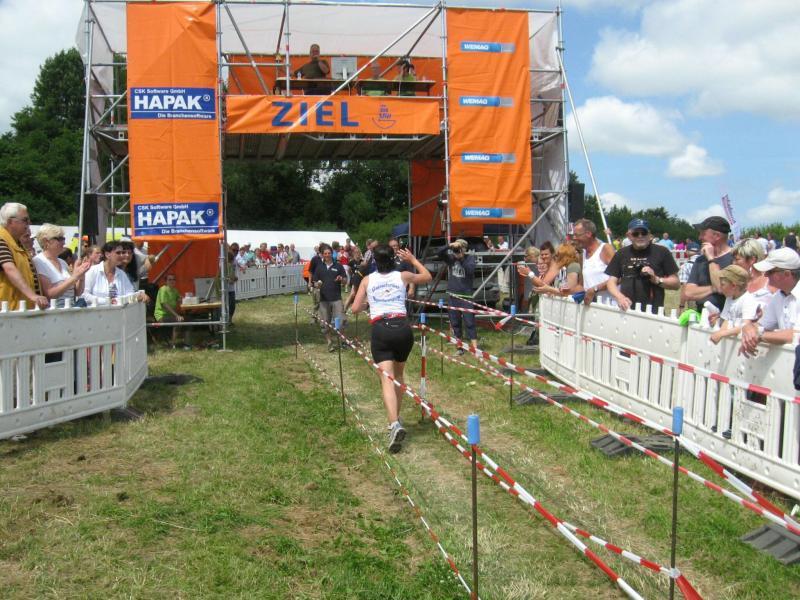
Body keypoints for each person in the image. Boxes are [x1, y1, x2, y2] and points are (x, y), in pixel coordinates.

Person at [351, 244, 432, 453]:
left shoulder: (367, 280)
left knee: (386, 378)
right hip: (403, 328)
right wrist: (413, 260)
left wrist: (369, 302)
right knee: (399, 375)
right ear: (393, 260)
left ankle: (394, 423)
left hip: (381, 329)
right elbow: (427, 276)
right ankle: (396, 419)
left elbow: (355, 308)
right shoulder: (403, 276)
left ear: (375, 261)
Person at [605, 218, 679, 312]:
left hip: (654, 313)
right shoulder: (622, 253)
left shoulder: (662, 252)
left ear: (649, 235)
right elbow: (611, 282)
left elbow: (676, 283)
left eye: (644, 233)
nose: (640, 236)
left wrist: (656, 279)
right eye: (635, 233)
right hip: (627, 311)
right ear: (629, 236)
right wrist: (620, 297)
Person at [739, 248, 800, 357]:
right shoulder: (778, 296)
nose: (765, 275)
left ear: (787, 274)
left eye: (770, 271)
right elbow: (761, 325)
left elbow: (796, 335)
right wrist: (748, 329)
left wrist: (759, 336)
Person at [0, 202, 48, 310]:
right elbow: (9, 269)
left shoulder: (16, 242)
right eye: (25, 220)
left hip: (19, 309)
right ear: (10, 221)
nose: (29, 223)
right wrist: (33, 296)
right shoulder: (1, 240)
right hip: (7, 310)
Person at [683, 216, 734, 313]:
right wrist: (713, 288)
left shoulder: (735, 259)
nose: (699, 237)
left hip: (725, 318)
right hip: (702, 317)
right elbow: (689, 293)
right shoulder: (700, 260)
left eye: (703, 234)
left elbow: (723, 289)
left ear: (717, 236)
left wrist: (711, 258)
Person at [33, 224, 91, 308]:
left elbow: (77, 292)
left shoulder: (62, 262)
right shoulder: (39, 261)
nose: (64, 242)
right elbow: (50, 294)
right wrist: (74, 277)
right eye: (59, 239)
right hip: (54, 312)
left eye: (63, 238)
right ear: (46, 241)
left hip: (69, 310)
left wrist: (81, 276)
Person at [438, 239, 477, 355]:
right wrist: (449, 246)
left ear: (464, 249)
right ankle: (460, 348)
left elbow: (470, 270)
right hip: (453, 296)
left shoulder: (470, 258)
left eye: (459, 247)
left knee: (470, 322)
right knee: (455, 323)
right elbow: (439, 252)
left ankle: (475, 348)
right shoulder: (451, 259)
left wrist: (461, 258)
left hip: (466, 296)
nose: (457, 250)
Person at [312, 245, 347, 352]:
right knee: (325, 322)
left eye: (329, 253)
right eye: (325, 253)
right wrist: (317, 285)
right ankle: (329, 342)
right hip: (323, 299)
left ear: (332, 254)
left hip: (336, 298)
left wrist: (341, 279)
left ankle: (342, 341)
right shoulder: (319, 267)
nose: (327, 255)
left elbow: (345, 280)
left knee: (341, 320)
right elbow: (315, 282)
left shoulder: (339, 266)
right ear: (322, 255)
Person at [573, 218, 615, 305]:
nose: (574, 238)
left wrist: (595, 289)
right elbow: (582, 285)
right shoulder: (582, 255)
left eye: (577, 235)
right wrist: (562, 291)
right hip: (591, 308)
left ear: (588, 234)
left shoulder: (605, 249)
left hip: (609, 306)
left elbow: (618, 277)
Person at [709, 265, 751, 344]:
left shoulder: (748, 300)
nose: (720, 287)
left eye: (722, 284)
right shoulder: (729, 298)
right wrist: (719, 332)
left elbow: (745, 327)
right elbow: (727, 320)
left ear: (733, 286)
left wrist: (721, 334)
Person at [154, 274, 188, 349]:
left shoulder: (175, 290)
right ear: (166, 281)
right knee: (179, 320)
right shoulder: (163, 290)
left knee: (187, 318)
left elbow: (179, 298)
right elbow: (164, 304)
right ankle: (173, 344)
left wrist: (184, 298)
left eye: (173, 279)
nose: (172, 281)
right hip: (161, 316)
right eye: (170, 279)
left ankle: (186, 342)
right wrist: (177, 315)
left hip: (170, 315)